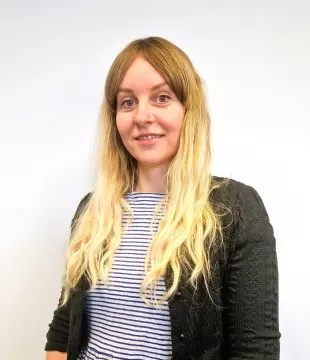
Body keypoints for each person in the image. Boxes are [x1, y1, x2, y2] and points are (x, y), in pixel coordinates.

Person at [45, 36, 280, 360]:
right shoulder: (92, 210)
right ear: (114, 118)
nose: (142, 116)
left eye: (161, 97)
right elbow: (62, 329)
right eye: (127, 102)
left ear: (188, 110)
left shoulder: (235, 208)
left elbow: (255, 351)